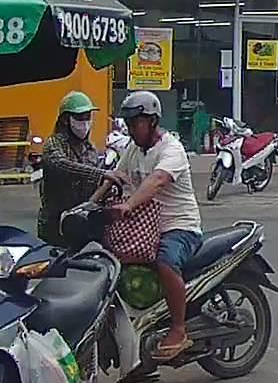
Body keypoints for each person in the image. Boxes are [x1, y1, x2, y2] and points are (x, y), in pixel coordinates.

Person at [110, 91, 203, 362]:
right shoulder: (134, 149)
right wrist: (89, 204)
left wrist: (129, 205)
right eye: (128, 124)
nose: (131, 129)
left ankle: (178, 329)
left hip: (179, 227)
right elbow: (116, 177)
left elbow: (157, 180)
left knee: (165, 262)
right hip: (146, 228)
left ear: (152, 121)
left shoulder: (171, 149)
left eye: (136, 123)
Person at [37, 91, 121, 247]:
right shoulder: (54, 143)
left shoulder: (89, 148)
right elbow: (61, 164)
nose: (85, 123)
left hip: (83, 221)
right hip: (55, 224)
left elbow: (94, 182)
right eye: (79, 118)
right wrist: (101, 173)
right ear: (65, 120)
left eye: (88, 117)